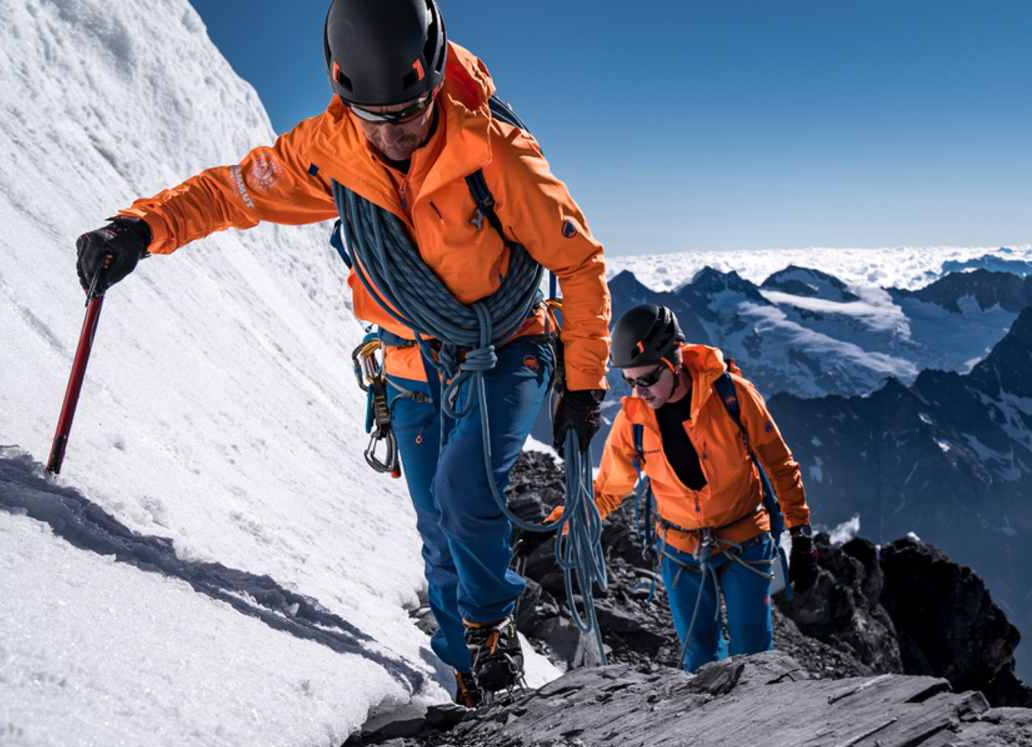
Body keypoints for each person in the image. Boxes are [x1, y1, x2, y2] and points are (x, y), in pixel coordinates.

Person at [73, 0, 610, 706]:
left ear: (437, 77)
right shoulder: (329, 152)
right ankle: (469, 680)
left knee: (464, 489)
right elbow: (236, 192)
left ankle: (487, 632)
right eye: (377, 120)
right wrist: (142, 227)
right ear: (345, 96)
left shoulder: (496, 151)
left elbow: (577, 262)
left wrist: (582, 386)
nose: (396, 134)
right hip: (409, 362)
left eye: (411, 113)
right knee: (436, 527)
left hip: (506, 347)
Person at [591, 305, 819, 672]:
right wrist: (568, 525)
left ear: (673, 362)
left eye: (647, 379)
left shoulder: (733, 395)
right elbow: (609, 489)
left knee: (753, 656)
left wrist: (801, 535)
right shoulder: (632, 419)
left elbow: (779, 464)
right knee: (699, 660)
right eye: (630, 381)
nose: (639, 391)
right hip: (680, 549)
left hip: (744, 540)